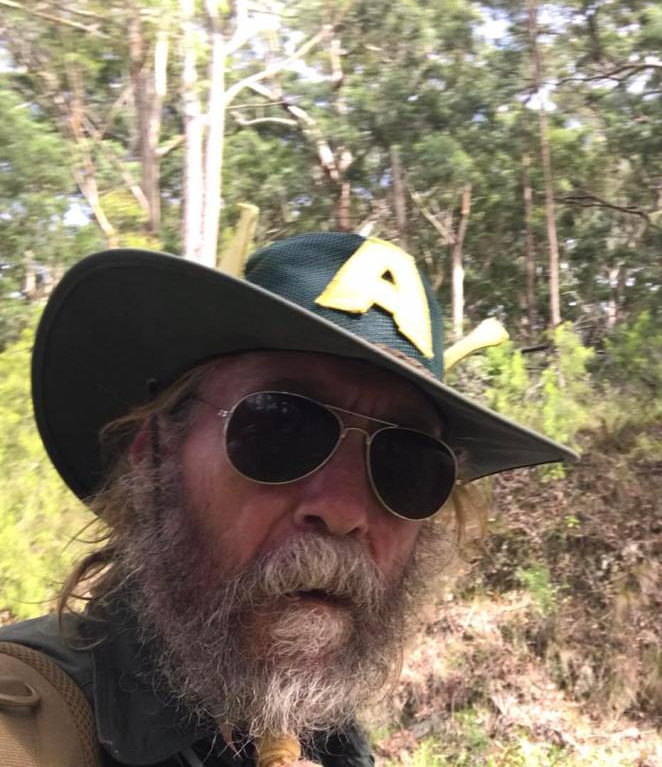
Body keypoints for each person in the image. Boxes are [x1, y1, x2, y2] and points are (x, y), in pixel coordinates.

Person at [0, 232, 575, 766]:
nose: (345, 512)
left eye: (407, 465)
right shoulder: (29, 728)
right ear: (155, 455)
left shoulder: (328, 735)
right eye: (280, 430)